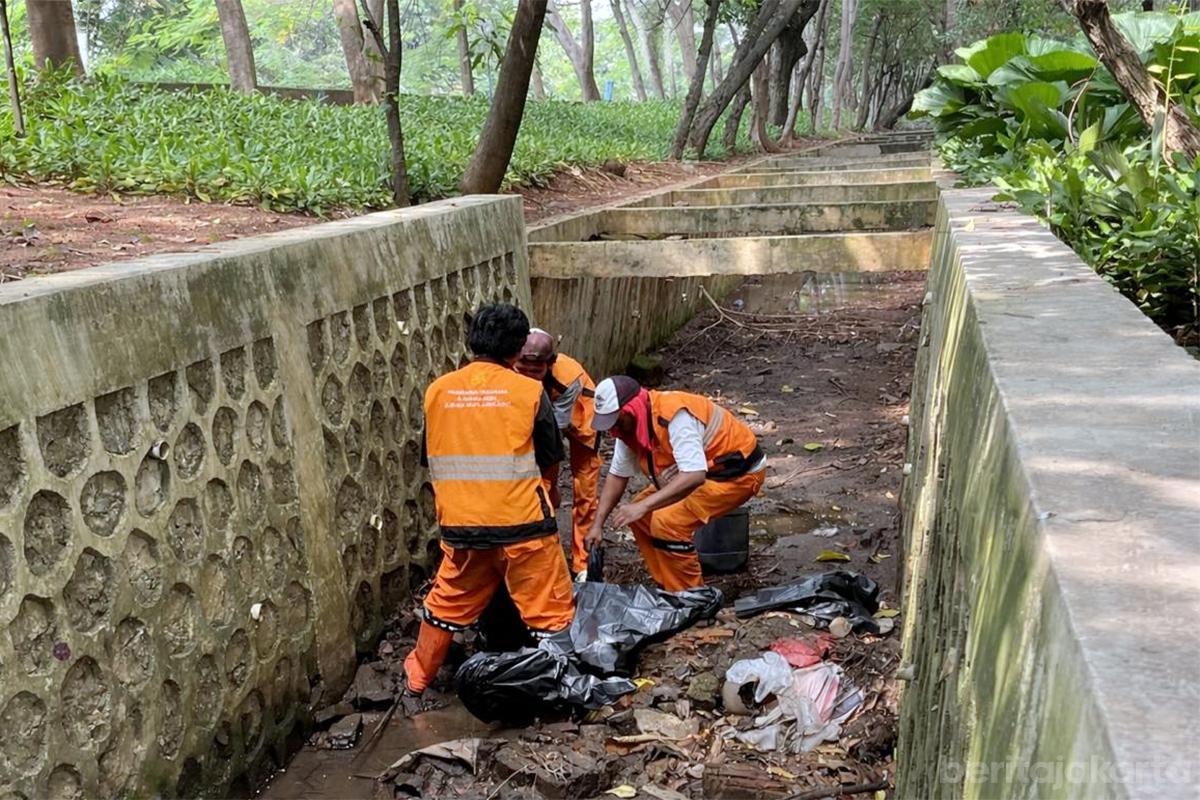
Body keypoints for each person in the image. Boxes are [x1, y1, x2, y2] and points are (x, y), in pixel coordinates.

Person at [403, 304, 573, 694]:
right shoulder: (529, 391)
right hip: (524, 527)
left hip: (462, 528)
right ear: (517, 351)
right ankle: (561, 681)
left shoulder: (438, 391)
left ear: (472, 341)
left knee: (446, 603)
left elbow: (430, 458)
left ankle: (417, 678)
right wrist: (547, 500)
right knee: (551, 608)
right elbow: (550, 462)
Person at [584, 376, 766, 592]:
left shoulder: (674, 416)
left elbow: (694, 476)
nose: (613, 430)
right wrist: (597, 525)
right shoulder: (629, 427)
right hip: (703, 472)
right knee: (639, 516)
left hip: (736, 475)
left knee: (667, 521)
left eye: (617, 421)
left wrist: (644, 506)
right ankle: (669, 585)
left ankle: (691, 597)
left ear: (631, 409)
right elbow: (617, 476)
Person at [514, 329, 601, 575]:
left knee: (584, 488)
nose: (529, 376)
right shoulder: (509, 369)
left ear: (550, 363)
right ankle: (544, 546)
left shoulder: (568, 377)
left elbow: (554, 431)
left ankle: (582, 563)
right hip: (544, 421)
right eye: (524, 369)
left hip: (581, 420)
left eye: (536, 371)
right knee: (543, 485)